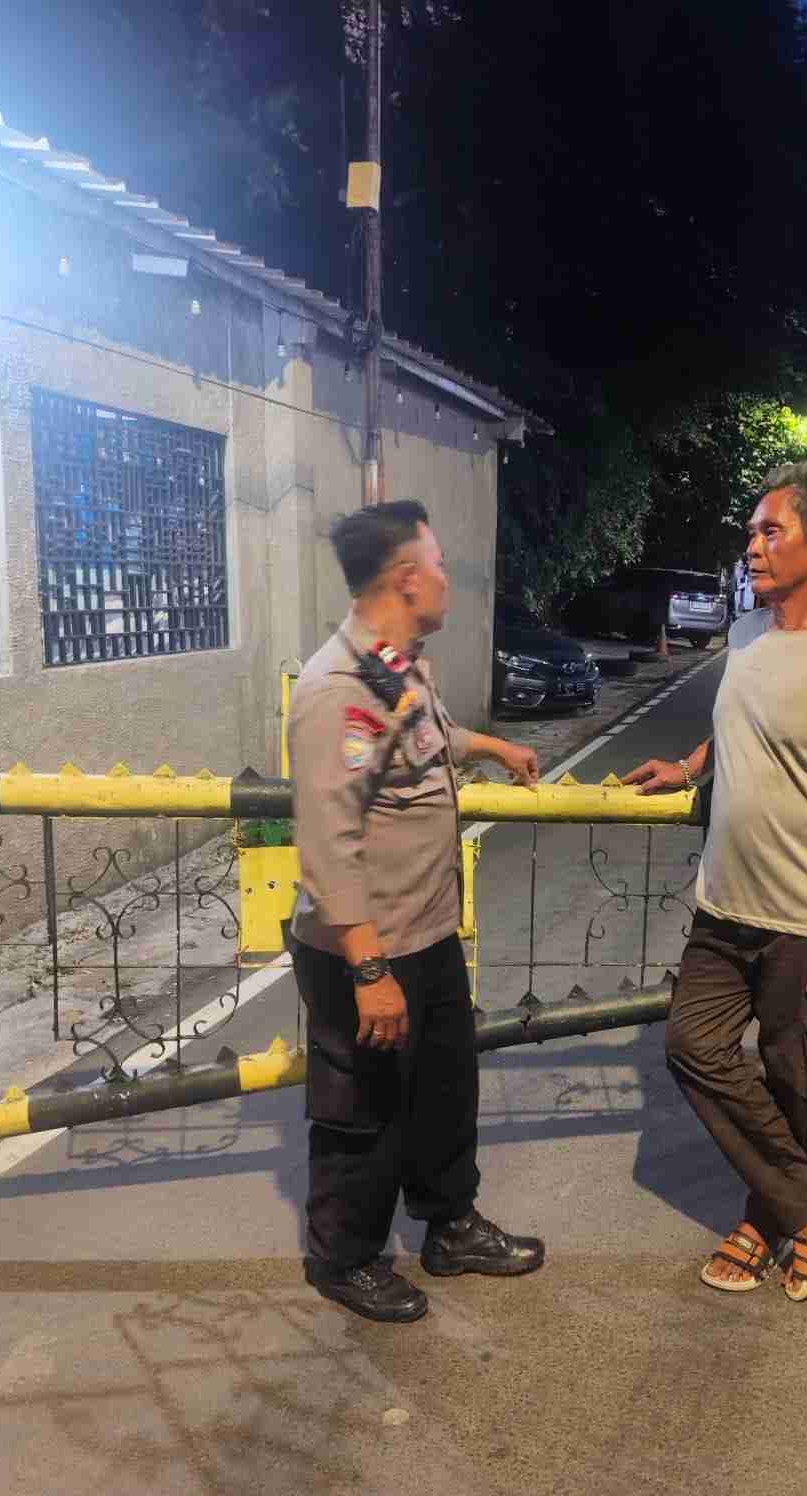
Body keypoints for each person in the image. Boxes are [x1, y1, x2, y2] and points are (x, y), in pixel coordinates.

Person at [623, 462, 807, 1303]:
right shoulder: (746, 634)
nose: (752, 546)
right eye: (750, 532)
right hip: (723, 905)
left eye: (769, 531)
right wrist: (689, 767)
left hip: (804, 916)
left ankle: (766, 1221)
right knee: (692, 1046)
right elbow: (737, 726)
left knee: (799, 1081)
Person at [287, 499, 545, 1324]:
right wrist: (369, 972)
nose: (446, 579)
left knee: (442, 1091)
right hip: (367, 946)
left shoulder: (394, 666)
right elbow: (327, 843)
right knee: (362, 1112)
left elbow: (428, 739)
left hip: (426, 931)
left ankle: (450, 1225)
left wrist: (494, 747)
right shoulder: (335, 691)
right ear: (404, 578)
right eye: (437, 564)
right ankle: (343, 1258)